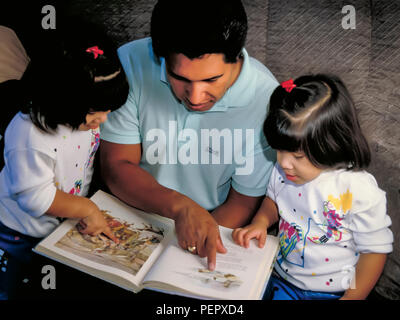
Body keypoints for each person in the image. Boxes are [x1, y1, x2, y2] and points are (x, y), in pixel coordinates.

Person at [100, 0, 278, 271]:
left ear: (237, 58)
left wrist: (188, 246)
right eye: (179, 77)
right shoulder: (131, 62)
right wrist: (180, 207)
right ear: (159, 57)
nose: (195, 98)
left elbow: (242, 201)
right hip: (131, 210)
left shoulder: (267, 99)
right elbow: (116, 166)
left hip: (217, 223)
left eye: (211, 80)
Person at [232, 74, 393, 300]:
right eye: (278, 150)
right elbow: (273, 200)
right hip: (280, 278)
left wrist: (352, 298)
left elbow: (375, 251)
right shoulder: (283, 171)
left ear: (330, 144)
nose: (283, 162)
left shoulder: (357, 188)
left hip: (334, 292)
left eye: (298, 156)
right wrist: (260, 222)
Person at [0, 21, 129, 299]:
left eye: (108, 110)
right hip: (18, 234)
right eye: (96, 112)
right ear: (61, 98)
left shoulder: (82, 119)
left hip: (57, 223)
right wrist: (85, 208)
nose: (103, 120)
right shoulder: (29, 136)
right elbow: (35, 199)